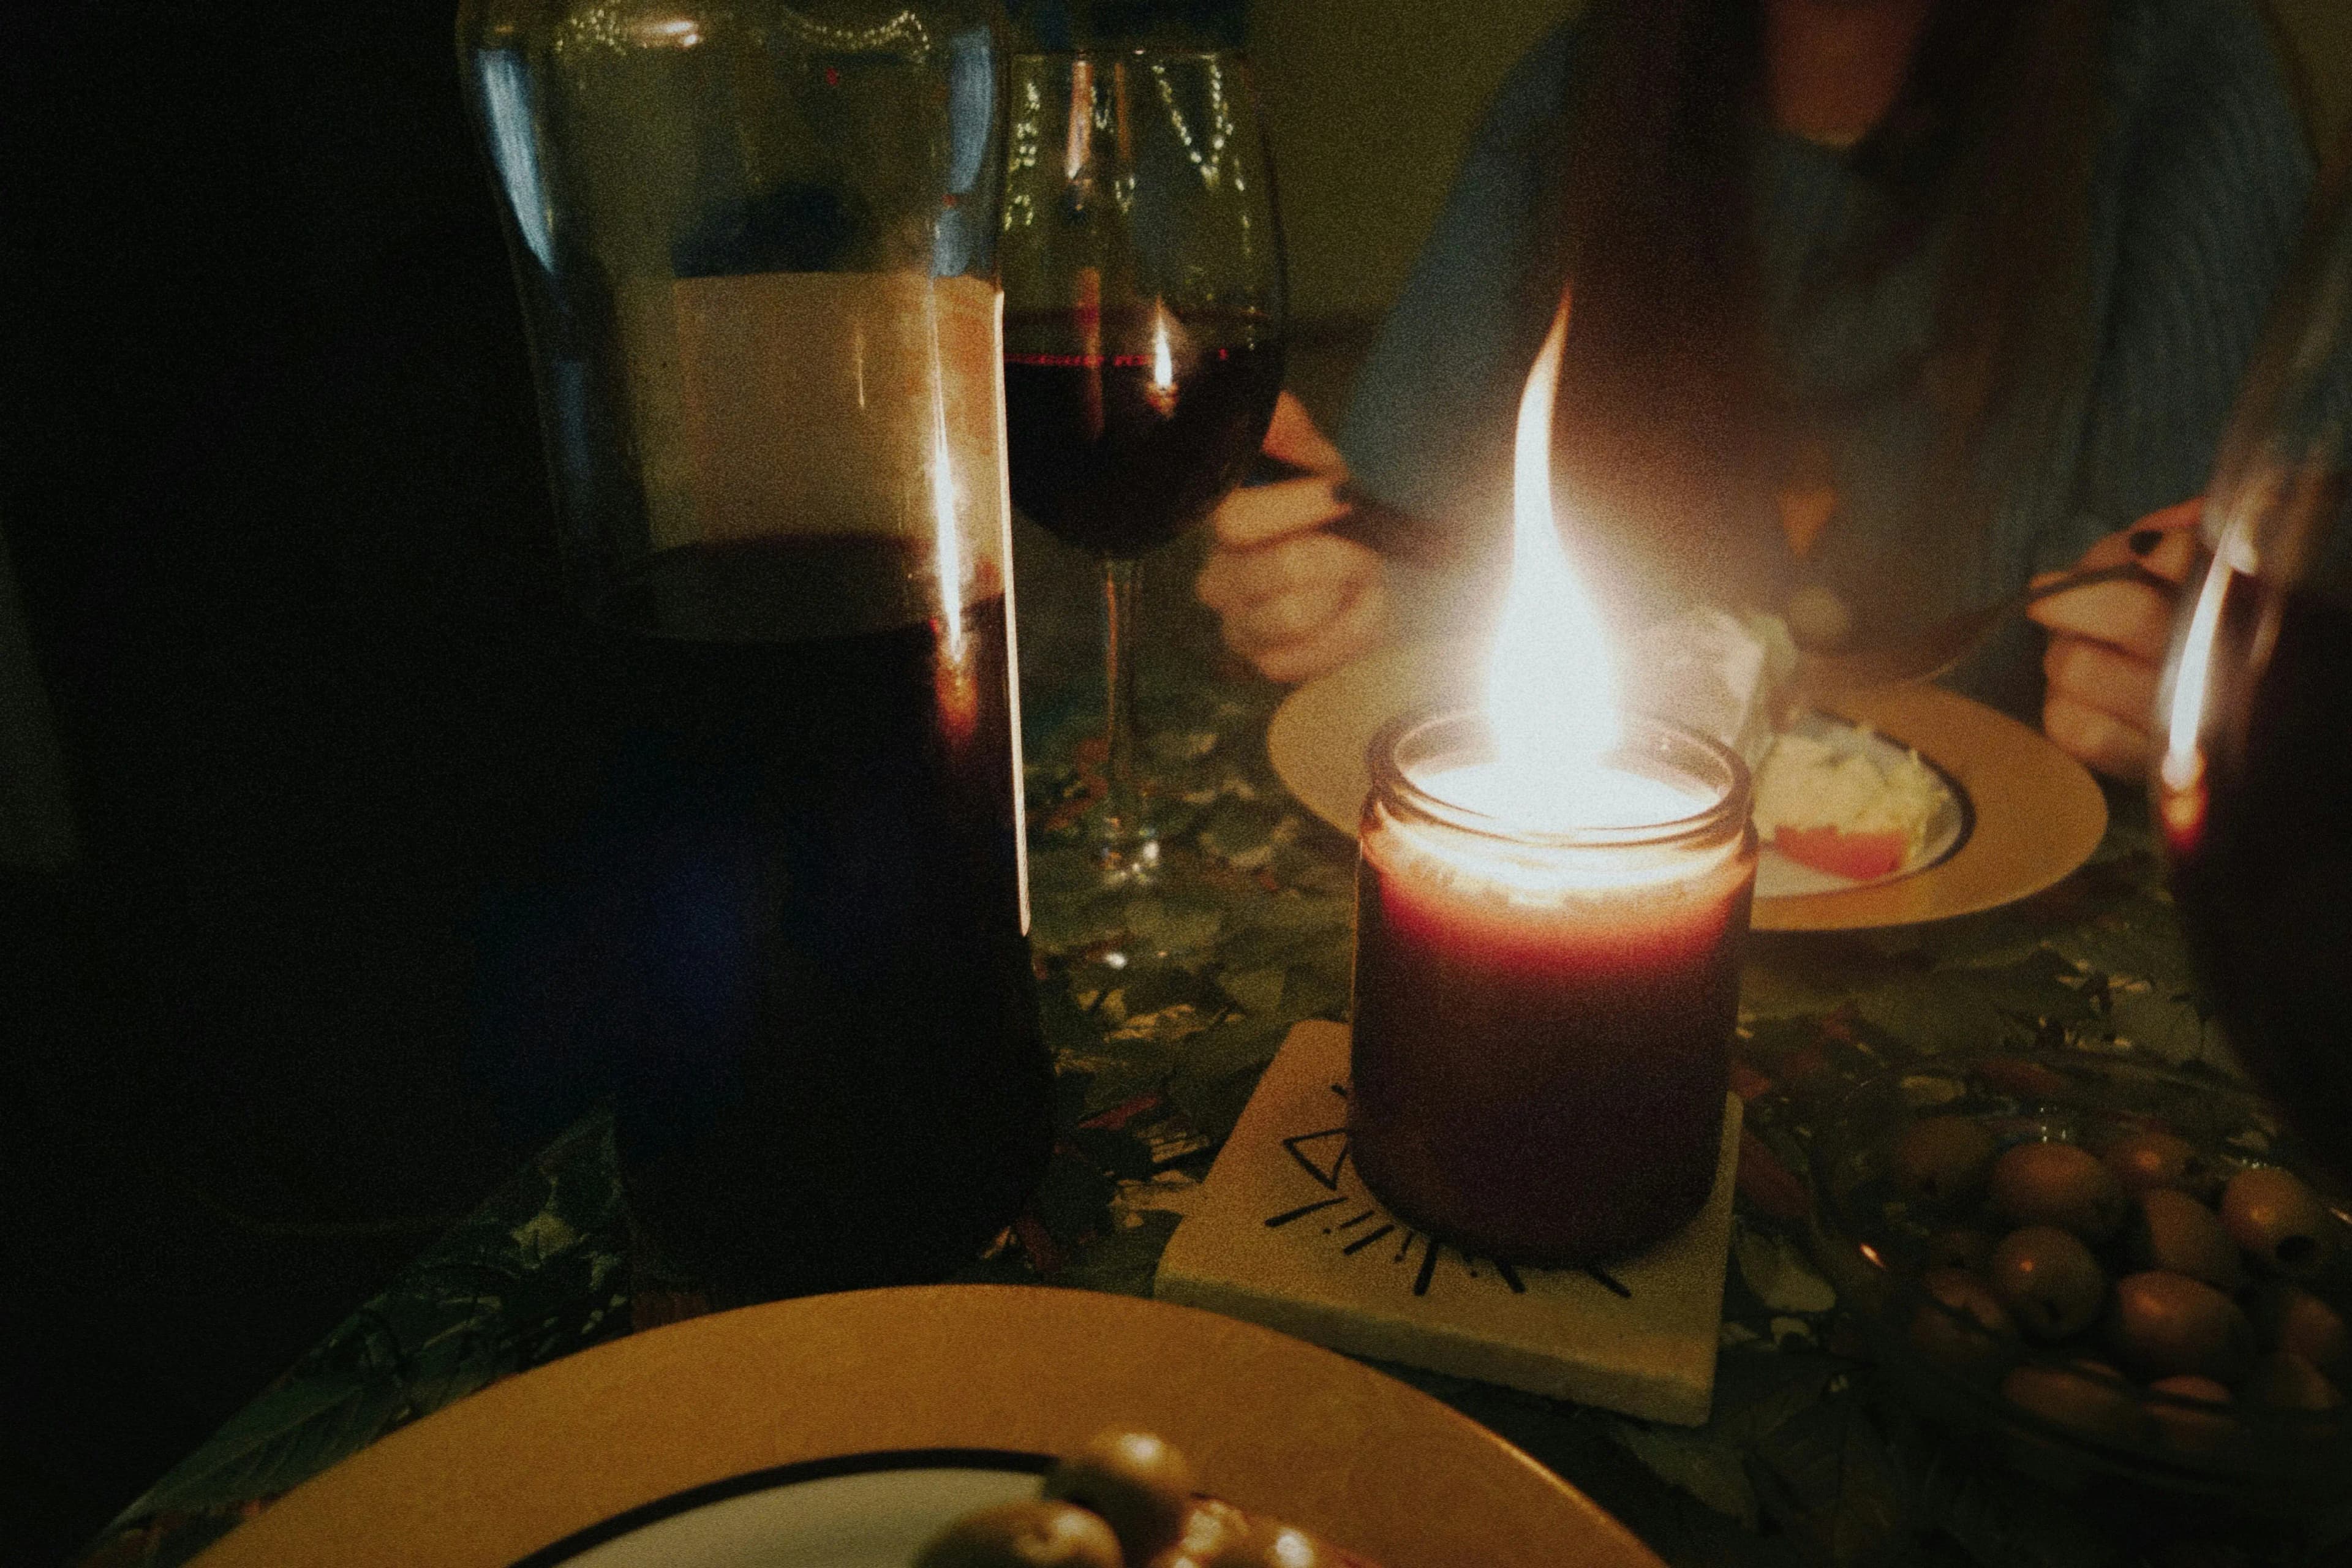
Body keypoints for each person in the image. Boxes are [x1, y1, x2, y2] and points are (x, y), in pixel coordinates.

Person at [1196, 0, 2316, 781]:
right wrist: (1327, 594)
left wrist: (2212, 683)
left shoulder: (2176, 76)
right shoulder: (1575, 101)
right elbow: (1396, 551)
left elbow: (2250, 620)